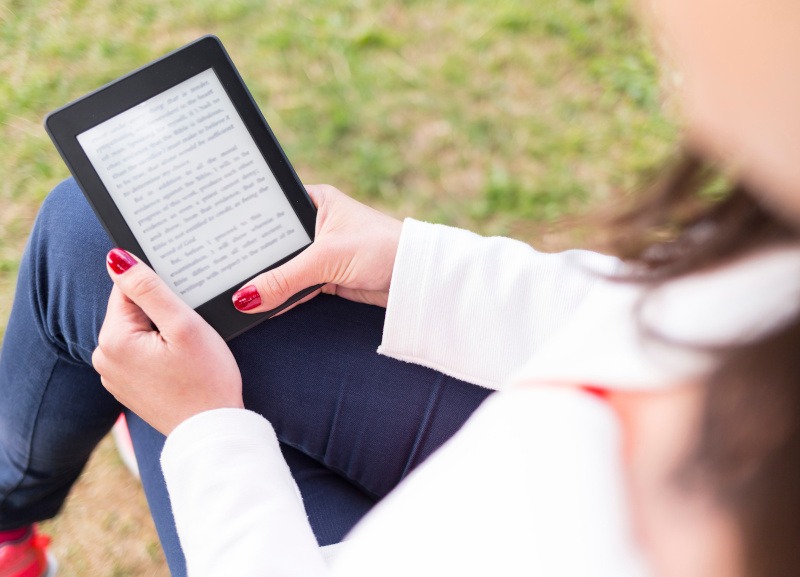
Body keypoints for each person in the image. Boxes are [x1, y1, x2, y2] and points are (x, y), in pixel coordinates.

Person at [2, 1, 800, 576]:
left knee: (141, 320)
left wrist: (208, 433)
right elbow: (634, 310)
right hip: (533, 429)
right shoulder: (773, 259)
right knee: (103, 234)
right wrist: (413, 265)